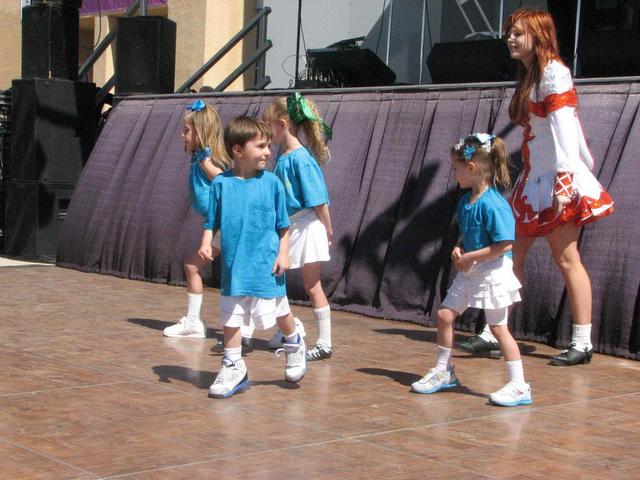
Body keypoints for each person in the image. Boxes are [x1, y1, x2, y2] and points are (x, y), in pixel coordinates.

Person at [505, 8, 614, 366]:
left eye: (518, 33)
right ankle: (495, 330)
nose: (510, 38)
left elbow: (567, 130)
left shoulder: (554, 73)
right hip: (535, 178)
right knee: (511, 254)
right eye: (510, 32)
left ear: (538, 36)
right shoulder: (531, 75)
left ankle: (582, 342)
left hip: (556, 179)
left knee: (567, 259)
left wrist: (565, 181)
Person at [412, 134, 531, 407]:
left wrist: (470, 257)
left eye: (456, 168)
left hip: (493, 271)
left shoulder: (494, 203)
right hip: (472, 269)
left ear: (472, 168)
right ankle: (444, 371)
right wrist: (458, 248)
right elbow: (466, 236)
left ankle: (519, 385)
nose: (454, 174)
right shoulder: (465, 201)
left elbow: (504, 244)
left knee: (499, 328)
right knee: (444, 315)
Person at [199, 116, 306, 398]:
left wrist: (284, 254)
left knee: (281, 312)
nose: (268, 152)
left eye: (269, 145)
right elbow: (212, 221)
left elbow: (284, 226)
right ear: (237, 150)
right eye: (260, 146)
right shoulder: (221, 184)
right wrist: (206, 242)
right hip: (235, 268)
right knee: (230, 317)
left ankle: (294, 344)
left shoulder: (272, 184)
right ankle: (233, 365)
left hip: (267, 266)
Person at [262, 93, 334, 361]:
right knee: (277, 278)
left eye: (268, 126)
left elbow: (318, 198)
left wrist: (327, 229)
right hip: (293, 226)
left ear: (281, 125)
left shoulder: (300, 158)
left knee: (311, 284)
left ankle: (324, 341)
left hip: (305, 225)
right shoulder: (285, 156)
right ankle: (289, 327)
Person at [163, 99, 230, 340]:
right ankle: (193, 321)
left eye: (187, 131)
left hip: (227, 227)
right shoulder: (201, 159)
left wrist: (206, 164)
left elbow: (225, 182)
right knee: (195, 267)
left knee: (195, 266)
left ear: (200, 132)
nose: (183, 135)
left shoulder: (206, 161)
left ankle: (288, 326)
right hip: (221, 226)